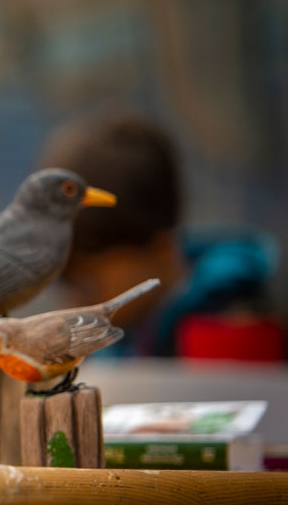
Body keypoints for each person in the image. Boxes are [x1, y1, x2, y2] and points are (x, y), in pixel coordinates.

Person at [40, 113, 280, 359]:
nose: (74, 302)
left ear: (160, 249)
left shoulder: (232, 327)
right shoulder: (119, 337)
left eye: (88, 285)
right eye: (65, 282)